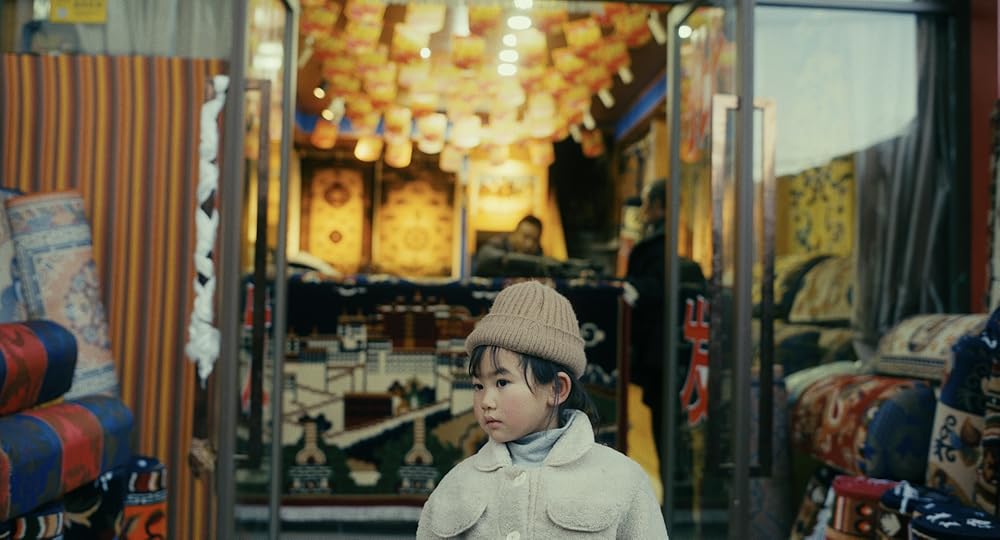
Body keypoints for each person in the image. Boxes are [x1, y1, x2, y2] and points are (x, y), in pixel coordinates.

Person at [417, 281, 669, 539]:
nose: (486, 401)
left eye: (502, 382)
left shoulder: (622, 480)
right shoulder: (456, 485)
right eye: (478, 386)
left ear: (557, 389)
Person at [624, 179, 706, 459]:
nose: (644, 211)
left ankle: (671, 477)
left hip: (659, 347)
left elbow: (653, 289)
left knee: (665, 421)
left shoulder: (658, 248)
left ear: (659, 207)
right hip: (667, 347)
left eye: (648, 204)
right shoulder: (664, 246)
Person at [472, 215, 544, 276]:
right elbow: (484, 255)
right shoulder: (498, 243)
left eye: (535, 240)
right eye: (526, 237)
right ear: (515, 233)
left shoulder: (538, 254)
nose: (529, 244)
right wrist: (509, 259)